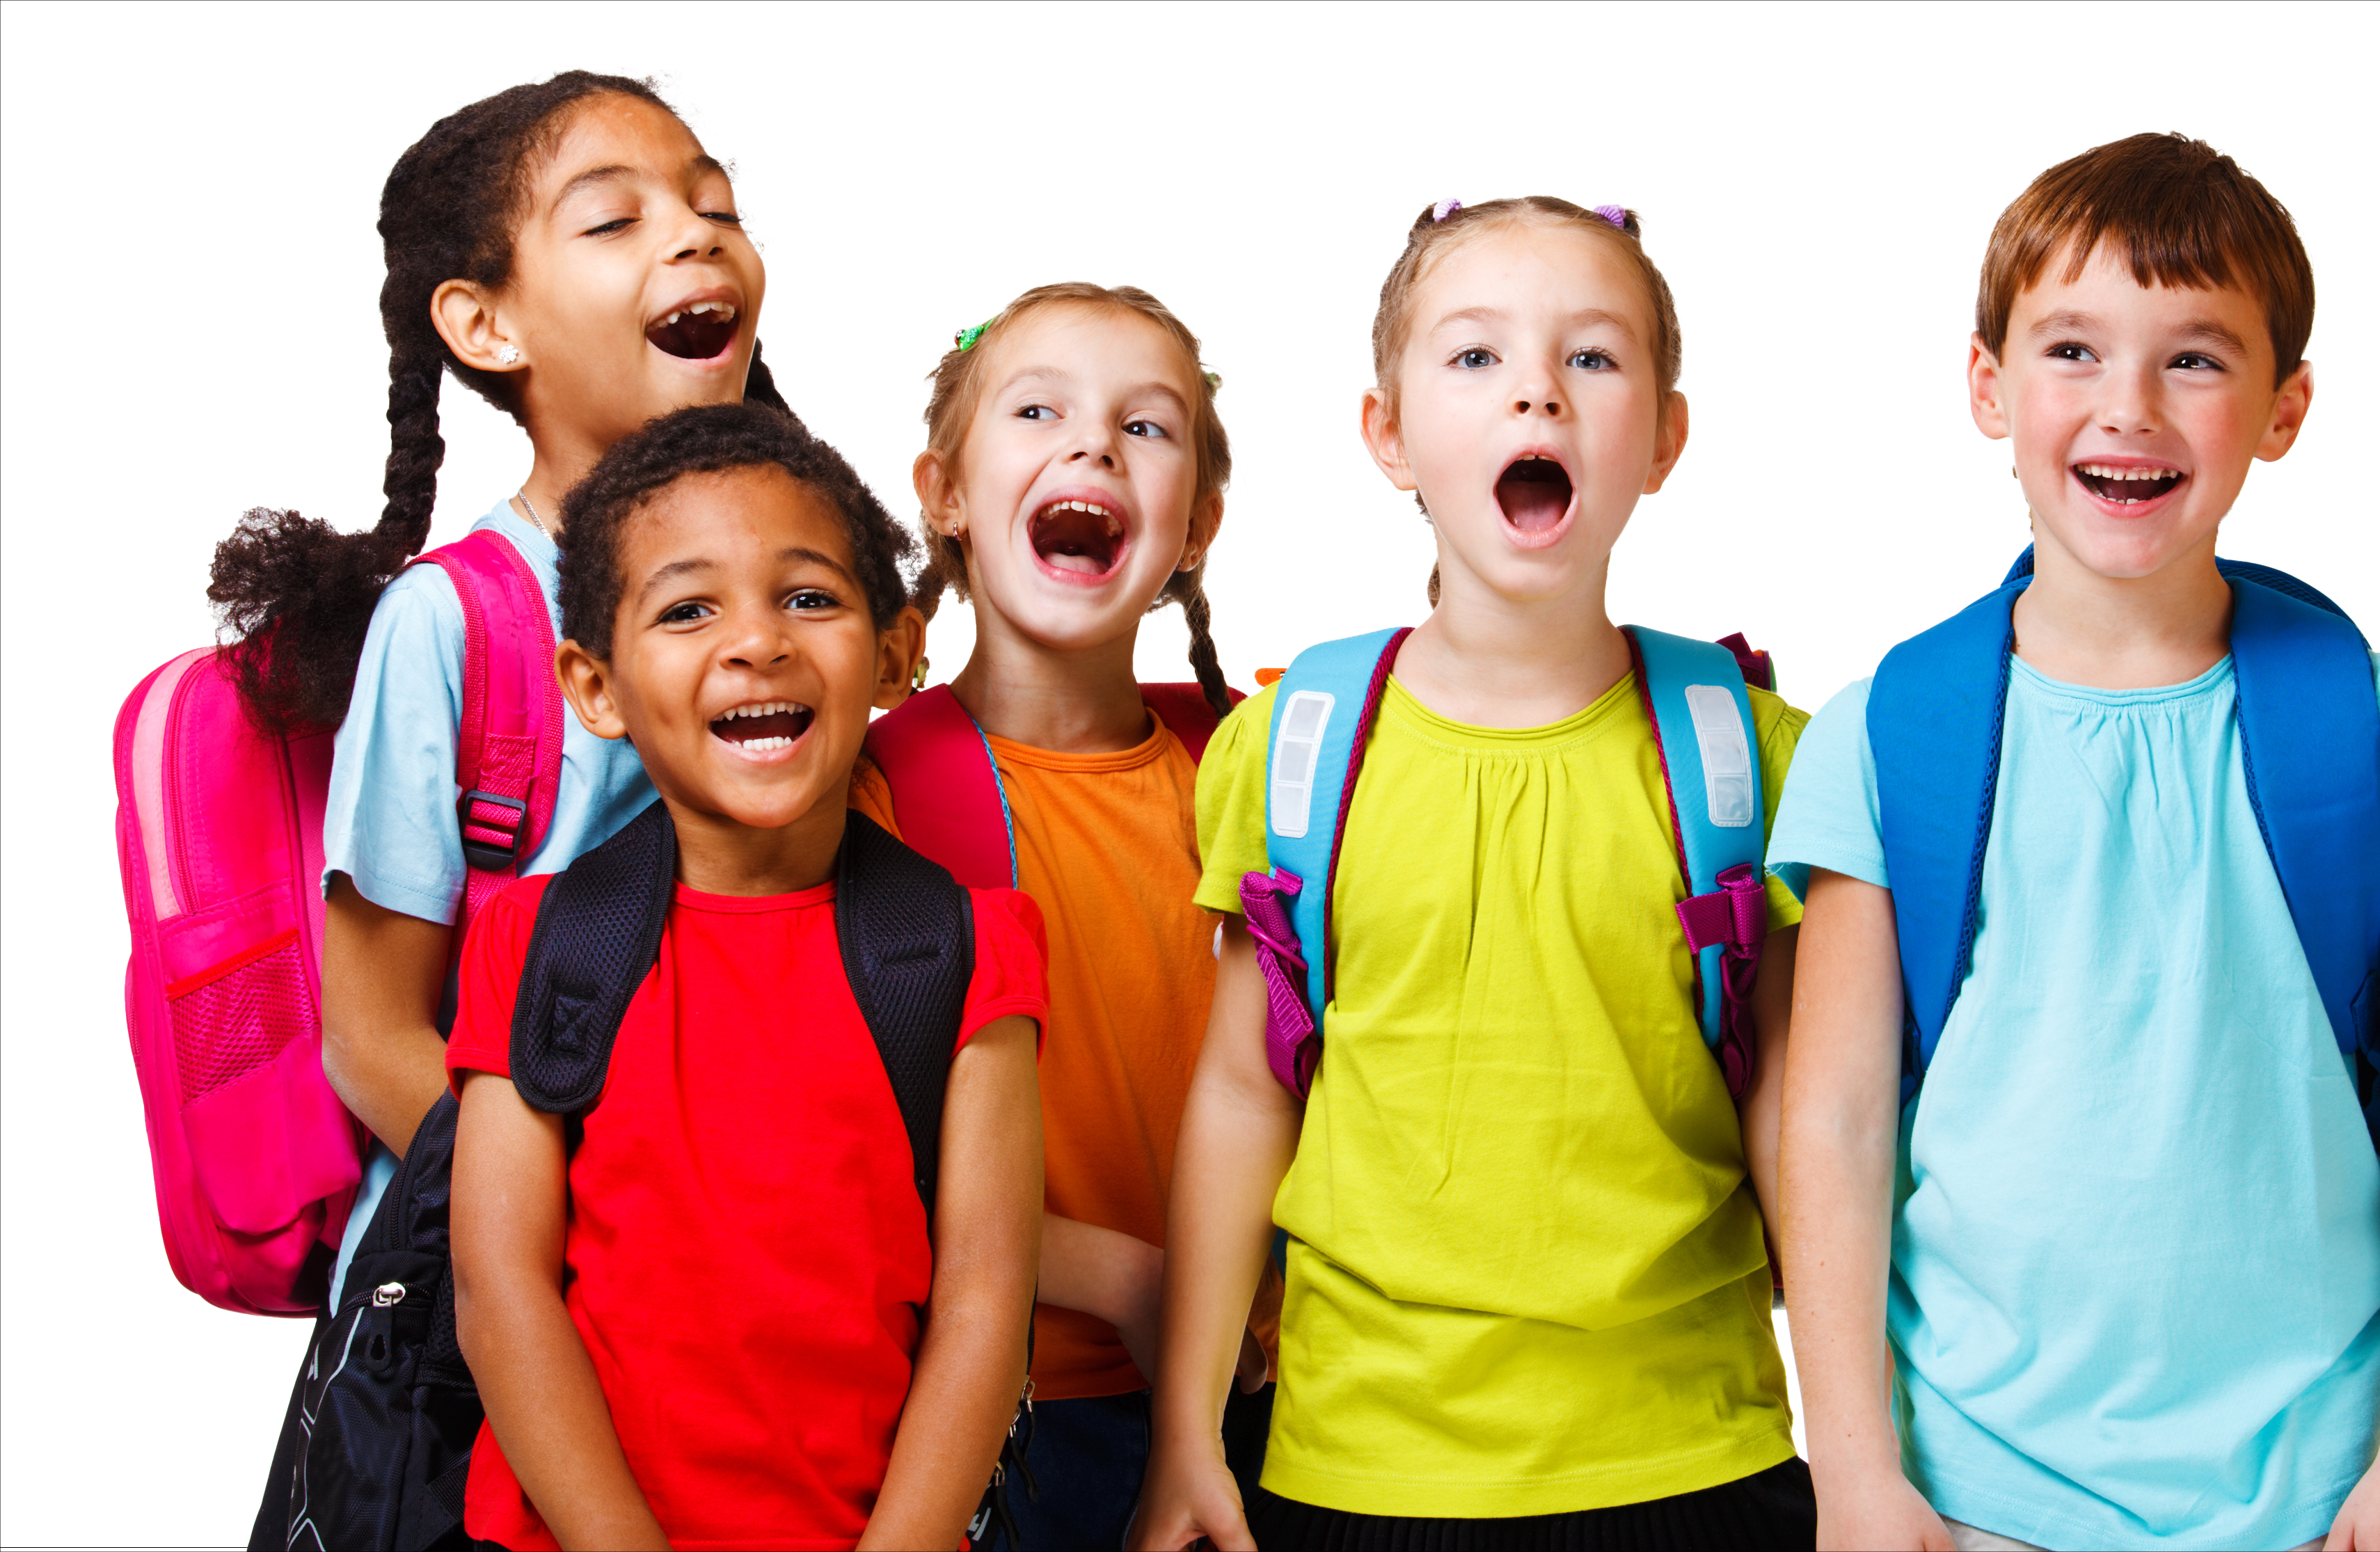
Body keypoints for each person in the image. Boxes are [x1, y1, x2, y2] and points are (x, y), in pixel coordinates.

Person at [1773, 133, 2380, 1551]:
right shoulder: (1888, 729)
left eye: (2193, 357)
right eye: (2071, 349)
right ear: (1986, 385)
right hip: (1973, 1483)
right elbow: (1839, 1120)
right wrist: (1854, 1469)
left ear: (2282, 406)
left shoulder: (2374, 718)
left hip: (2318, 1484)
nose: (2129, 406)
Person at [1132, 197, 1816, 1551]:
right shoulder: (1292, 749)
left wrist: (1864, 1439)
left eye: (1592, 358)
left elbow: (1808, 1117)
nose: (1537, 392)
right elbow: (1238, 1091)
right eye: (1474, 357)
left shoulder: (1751, 752)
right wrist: (1187, 1431)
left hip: (1696, 1454)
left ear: (1664, 440)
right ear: (1387, 434)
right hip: (1358, 1471)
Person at [204, 71, 910, 1303]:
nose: (697, 233)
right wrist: (602, 1232)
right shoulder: (455, 623)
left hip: (750, 1273)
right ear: (486, 328)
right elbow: (374, 1039)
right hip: (507, 1296)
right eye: (612, 219)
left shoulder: (802, 618)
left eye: (715, 207)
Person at [448, 402, 1044, 1549]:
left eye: (809, 596)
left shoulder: (971, 948)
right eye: (686, 609)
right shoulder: (539, 943)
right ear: (598, 686)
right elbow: (500, 1288)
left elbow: (984, 1296)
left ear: (896, 655)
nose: (758, 640)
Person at [850, 282, 1278, 1549]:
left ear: (1194, 526)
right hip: (1007, 1415)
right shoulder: (875, 793)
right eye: (1038, 410)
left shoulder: (1252, 770)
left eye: (1145, 427)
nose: (1092, 443)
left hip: (1272, 1393)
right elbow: (845, 1156)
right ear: (944, 491)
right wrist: (1120, 1276)